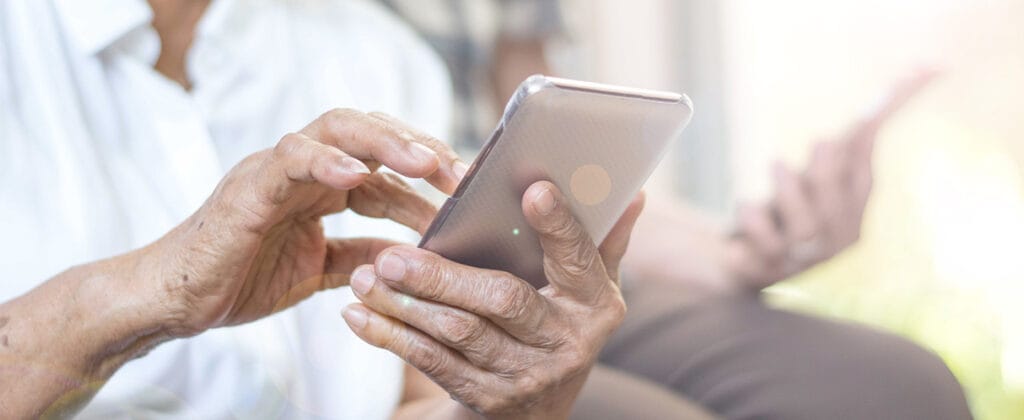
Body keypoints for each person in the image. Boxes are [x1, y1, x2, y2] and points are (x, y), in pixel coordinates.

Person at [0, 1, 971, 420]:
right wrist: (153, 291)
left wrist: (497, 400)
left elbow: (411, 396)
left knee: (886, 386)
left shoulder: (364, 55)